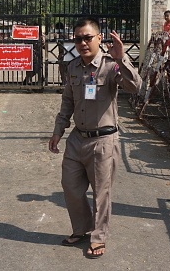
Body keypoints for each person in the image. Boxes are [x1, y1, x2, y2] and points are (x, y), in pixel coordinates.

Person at [48, 17, 141, 258]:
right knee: (70, 187)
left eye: (87, 37)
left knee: (101, 193)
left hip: (103, 141)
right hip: (77, 139)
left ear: (99, 38)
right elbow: (68, 100)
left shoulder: (111, 65)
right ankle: (81, 228)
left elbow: (135, 86)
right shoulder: (73, 67)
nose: (82, 43)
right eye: (78, 38)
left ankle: (98, 238)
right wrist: (58, 130)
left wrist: (121, 58)